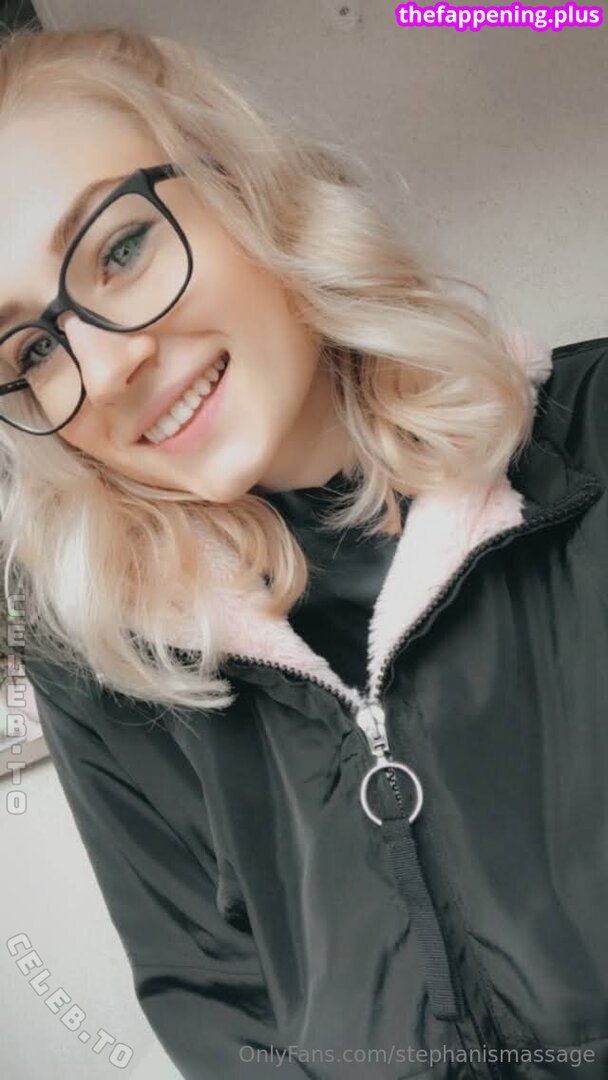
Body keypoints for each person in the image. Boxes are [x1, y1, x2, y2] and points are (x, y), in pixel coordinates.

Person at [0, 25, 606, 1080]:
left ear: (244, 187)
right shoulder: (106, 672)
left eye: (121, 247)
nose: (102, 367)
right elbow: (221, 1017)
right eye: (34, 349)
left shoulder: (590, 444)